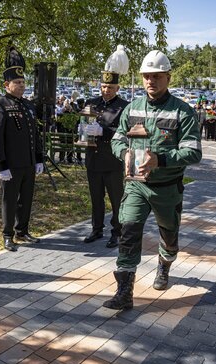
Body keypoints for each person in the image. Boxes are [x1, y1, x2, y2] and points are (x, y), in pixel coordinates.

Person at [103, 50, 202, 310]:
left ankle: (164, 265)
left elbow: (193, 152)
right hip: (136, 186)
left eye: (157, 76)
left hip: (167, 189)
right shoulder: (132, 108)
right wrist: (123, 153)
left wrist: (161, 159)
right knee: (128, 231)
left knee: (169, 237)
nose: (151, 81)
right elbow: (117, 139)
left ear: (168, 77)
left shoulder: (183, 111)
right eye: (147, 76)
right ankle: (124, 292)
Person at [0, 46, 44, 252]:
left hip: (28, 164)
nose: (21, 86)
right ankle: (7, 235)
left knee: (26, 200)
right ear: (6, 84)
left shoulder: (28, 106)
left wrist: (39, 158)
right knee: (9, 201)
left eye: (23, 82)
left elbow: (35, 135)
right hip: (10, 165)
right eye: (17, 83)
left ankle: (22, 230)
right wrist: (0, 165)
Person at [83, 45, 129, 249]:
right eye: (103, 86)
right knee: (96, 197)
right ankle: (96, 229)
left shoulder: (124, 107)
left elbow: (125, 132)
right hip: (93, 157)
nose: (106, 90)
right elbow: (84, 123)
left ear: (117, 88)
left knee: (116, 199)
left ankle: (117, 232)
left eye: (110, 87)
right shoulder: (92, 102)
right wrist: (82, 128)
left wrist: (105, 132)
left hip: (112, 160)